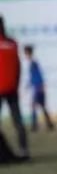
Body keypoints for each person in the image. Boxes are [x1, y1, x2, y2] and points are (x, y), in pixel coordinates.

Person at [0, 17, 28, 159]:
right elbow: (18, 66)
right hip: (12, 88)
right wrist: (16, 84)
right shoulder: (12, 44)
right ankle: (24, 150)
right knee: (18, 121)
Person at [23, 45, 55, 132]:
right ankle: (50, 125)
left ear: (28, 53)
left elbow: (38, 75)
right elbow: (33, 76)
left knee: (34, 106)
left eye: (25, 52)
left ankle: (34, 126)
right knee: (42, 106)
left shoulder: (33, 63)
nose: (25, 55)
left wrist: (40, 85)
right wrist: (28, 85)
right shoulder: (33, 62)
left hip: (38, 88)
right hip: (38, 87)